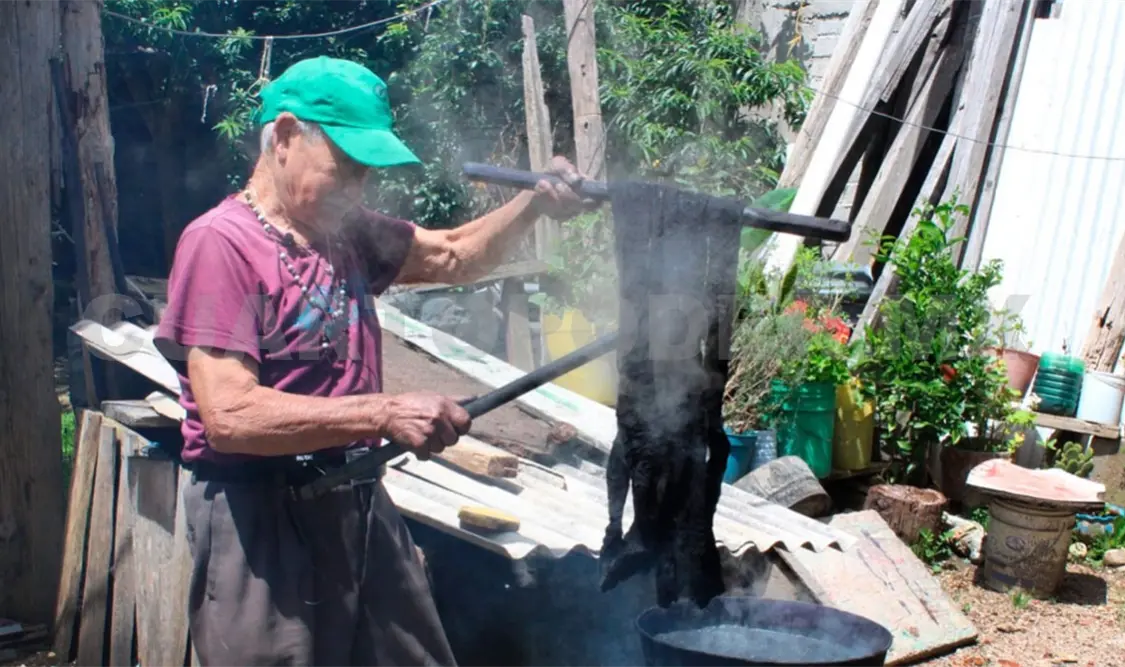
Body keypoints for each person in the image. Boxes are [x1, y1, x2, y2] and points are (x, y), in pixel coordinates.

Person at [153, 56, 591, 667]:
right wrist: (383, 412)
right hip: (262, 518)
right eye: (348, 168)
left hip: (357, 500)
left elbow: (452, 255)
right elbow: (230, 414)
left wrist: (535, 206)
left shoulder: (344, 230)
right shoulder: (222, 245)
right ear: (283, 138)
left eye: (368, 173)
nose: (360, 188)